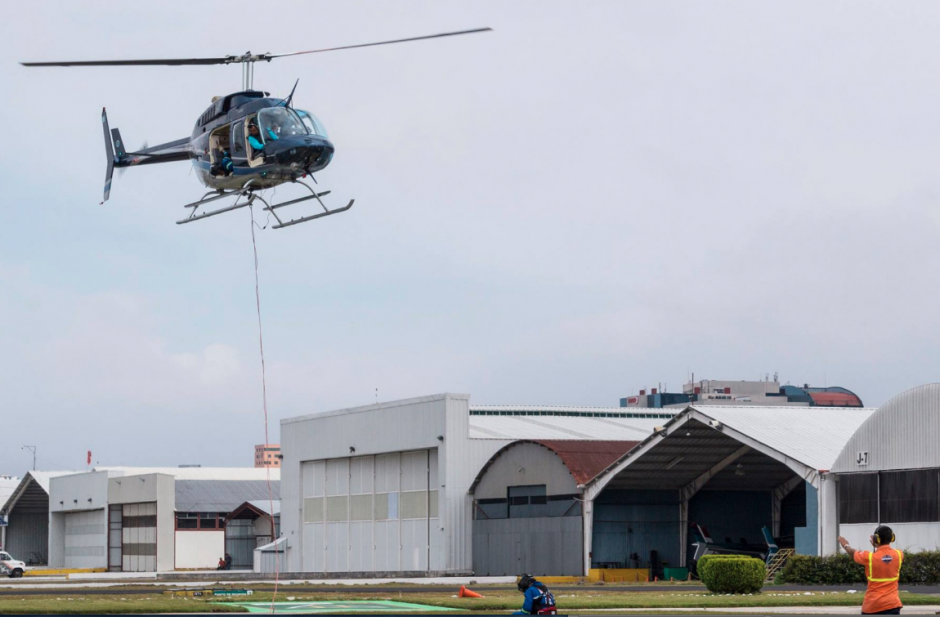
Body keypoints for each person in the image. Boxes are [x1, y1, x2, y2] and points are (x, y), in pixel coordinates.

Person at [838, 526, 903, 615]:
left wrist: (845, 545)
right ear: (892, 537)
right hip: (892, 605)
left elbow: (853, 553)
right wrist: (877, 545)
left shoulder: (869, 557)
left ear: (876, 539)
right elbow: (886, 558)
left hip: (873, 606)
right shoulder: (899, 554)